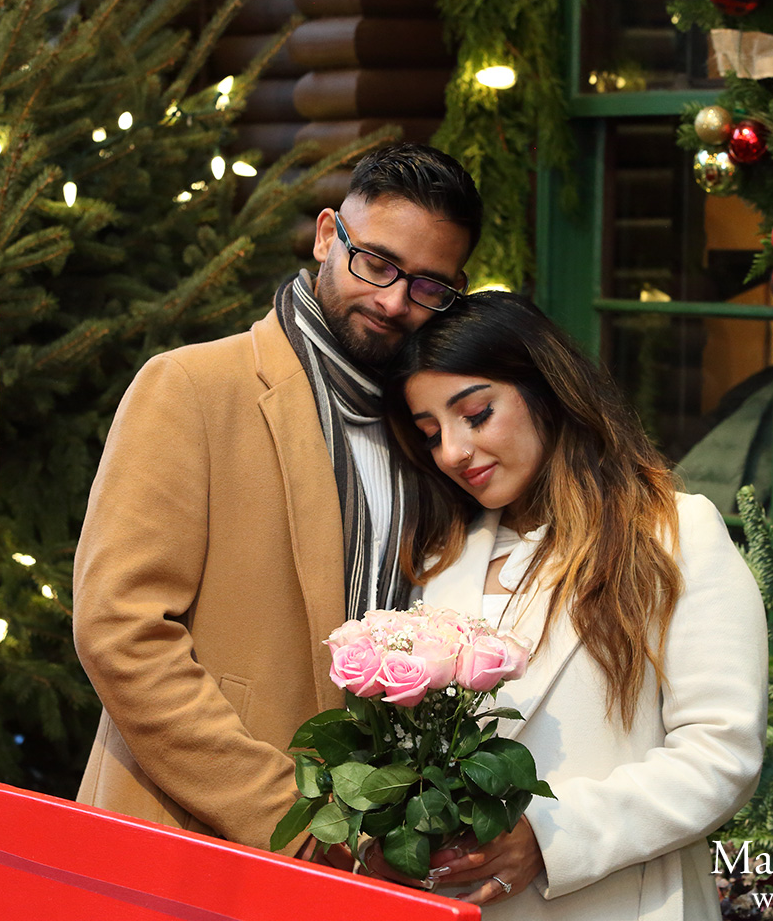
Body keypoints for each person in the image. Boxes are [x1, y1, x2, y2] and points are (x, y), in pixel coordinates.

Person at [71, 143, 482, 856]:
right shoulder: (191, 387)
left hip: (368, 862)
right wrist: (293, 820)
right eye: (376, 264)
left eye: (426, 287)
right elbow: (120, 632)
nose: (391, 301)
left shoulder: (429, 433)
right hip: (190, 845)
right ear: (328, 234)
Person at [381, 292, 768, 921]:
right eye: (431, 434)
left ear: (547, 389)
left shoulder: (675, 533)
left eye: (475, 414)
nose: (451, 451)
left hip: (625, 902)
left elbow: (722, 753)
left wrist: (552, 836)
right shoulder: (439, 558)